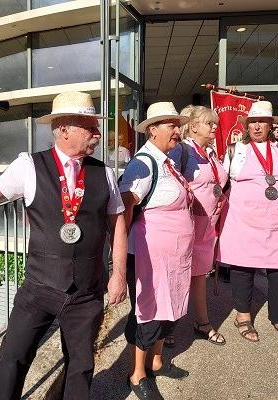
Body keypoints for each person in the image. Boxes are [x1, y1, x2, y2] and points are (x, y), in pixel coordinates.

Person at [0, 91, 127, 400]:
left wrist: (118, 274)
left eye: (96, 126)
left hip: (87, 291)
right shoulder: (28, 165)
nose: (98, 133)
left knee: (80, 365)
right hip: (39, 287)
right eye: (90, 127)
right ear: (63, 129)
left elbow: (117, 224)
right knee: (13, 359)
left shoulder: (103, 172)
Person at [120, 102, 194, 400]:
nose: (178, 131)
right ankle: (137, 374)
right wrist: (120, 251)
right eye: (171, 125)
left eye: (178, 125)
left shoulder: (168, 160)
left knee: (170, 308)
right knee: (149, 311)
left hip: (173, 257)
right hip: (150, 256)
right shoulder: (144, 163)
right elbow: (126, 204)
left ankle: (157, 361)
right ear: (152, 129)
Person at [217, 100, 278, 341]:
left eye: (262, 122)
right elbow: (221, 182)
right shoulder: (236, 150)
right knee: (243, 268)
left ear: (270, 125)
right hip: (242, 221)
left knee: (276, 269)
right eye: (253, 122)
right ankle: (243, 315)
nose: (257, 126)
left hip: (273, 222)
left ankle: (277, 316)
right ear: (247, 125)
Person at [169, 105, 228, 346]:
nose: (215, 127)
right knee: (178, 275)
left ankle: (202, 322)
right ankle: (166, 327)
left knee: (199, 275)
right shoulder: (181, 151)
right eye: (209, 123)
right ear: (193, 127)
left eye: (215, 123)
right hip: (187, 225)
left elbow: (218, 182)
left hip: (207, 226)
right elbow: (171, 184)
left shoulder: (210, 152)